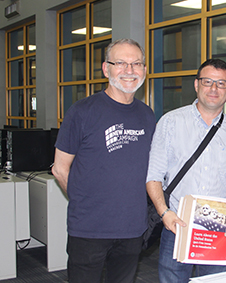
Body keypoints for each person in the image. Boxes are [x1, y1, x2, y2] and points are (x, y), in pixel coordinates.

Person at [52, 38, 155, 283]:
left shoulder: (147, 114)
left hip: (132, 229)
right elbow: (59, 169)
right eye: (121, 63)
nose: (129, 71)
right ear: (106, 68)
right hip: (89, 229)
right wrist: (85, 202)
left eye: (136, 63)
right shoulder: (82, 111)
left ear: (144, 70)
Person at [146, 58, 226, 283]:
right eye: (208, 82)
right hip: (177, 226)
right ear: (196, 85)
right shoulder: (171, 123)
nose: (214, 89)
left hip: (220, 230)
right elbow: (154, 176)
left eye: (221, 83)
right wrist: (164, 213)